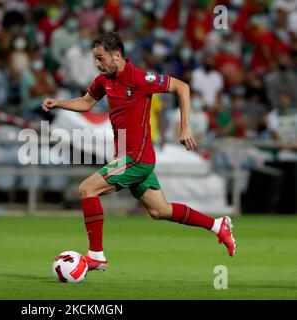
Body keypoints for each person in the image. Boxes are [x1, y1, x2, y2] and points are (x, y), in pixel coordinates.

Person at [42, 32, 237, 271]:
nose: (97, 63)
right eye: (95, 58)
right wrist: (58, 102)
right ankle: (218, 226)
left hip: (136, 158)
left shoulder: (140, 78)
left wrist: (185, 126)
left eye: (100, 58)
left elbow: (182, 87)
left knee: (87, 188)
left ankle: (97, 255)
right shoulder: (104, 80)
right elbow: (86, 102)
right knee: (159, 210)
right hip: (125, 156)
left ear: (116, 56)